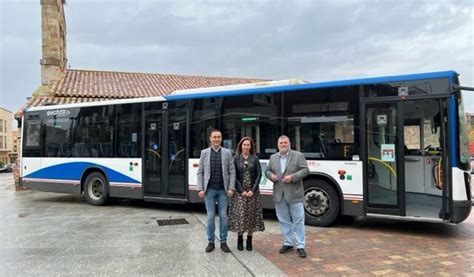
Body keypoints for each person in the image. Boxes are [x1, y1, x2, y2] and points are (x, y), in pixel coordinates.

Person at [265, 135, 309, 258]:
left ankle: (300, 246)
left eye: (285, 143)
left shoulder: (298, 155)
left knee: (298, 220)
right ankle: (288, 243)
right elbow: (267, 171)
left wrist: (293, 177)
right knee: (284, 220)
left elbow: (305, 170)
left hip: (294, 193)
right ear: (278, 145)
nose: (283, 145)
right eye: (281, 143)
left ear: (289, 144)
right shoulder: (273, 157)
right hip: (279, 194)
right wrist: (271, 176)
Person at [197, 129, 236, 253]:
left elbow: (232, 171)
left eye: (218, 137)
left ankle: (223, 242)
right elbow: (200, 172)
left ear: (221, 138)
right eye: (214, 137)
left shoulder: (227, 152)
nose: (216, 139)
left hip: (223, 191)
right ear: (210, 138)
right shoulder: (204, 153)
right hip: (209, 191)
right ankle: (211, 242)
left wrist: (231, 187)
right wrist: (200, 188)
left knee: (224, 217)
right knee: (210, 217)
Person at [228, 137, 265, 251]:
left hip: (253, 193)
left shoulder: (255, 158)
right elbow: (234, 176)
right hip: (240, 193)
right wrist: (241, 190)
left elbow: (259, 175)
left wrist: (252, 191)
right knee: (241, 216)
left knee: (251, 216)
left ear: (251, 146)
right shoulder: (236, 158)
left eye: (248, 145)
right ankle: (240, 239)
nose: (246, 147)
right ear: (241, 146)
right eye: (244, 145)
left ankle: (249, 239)